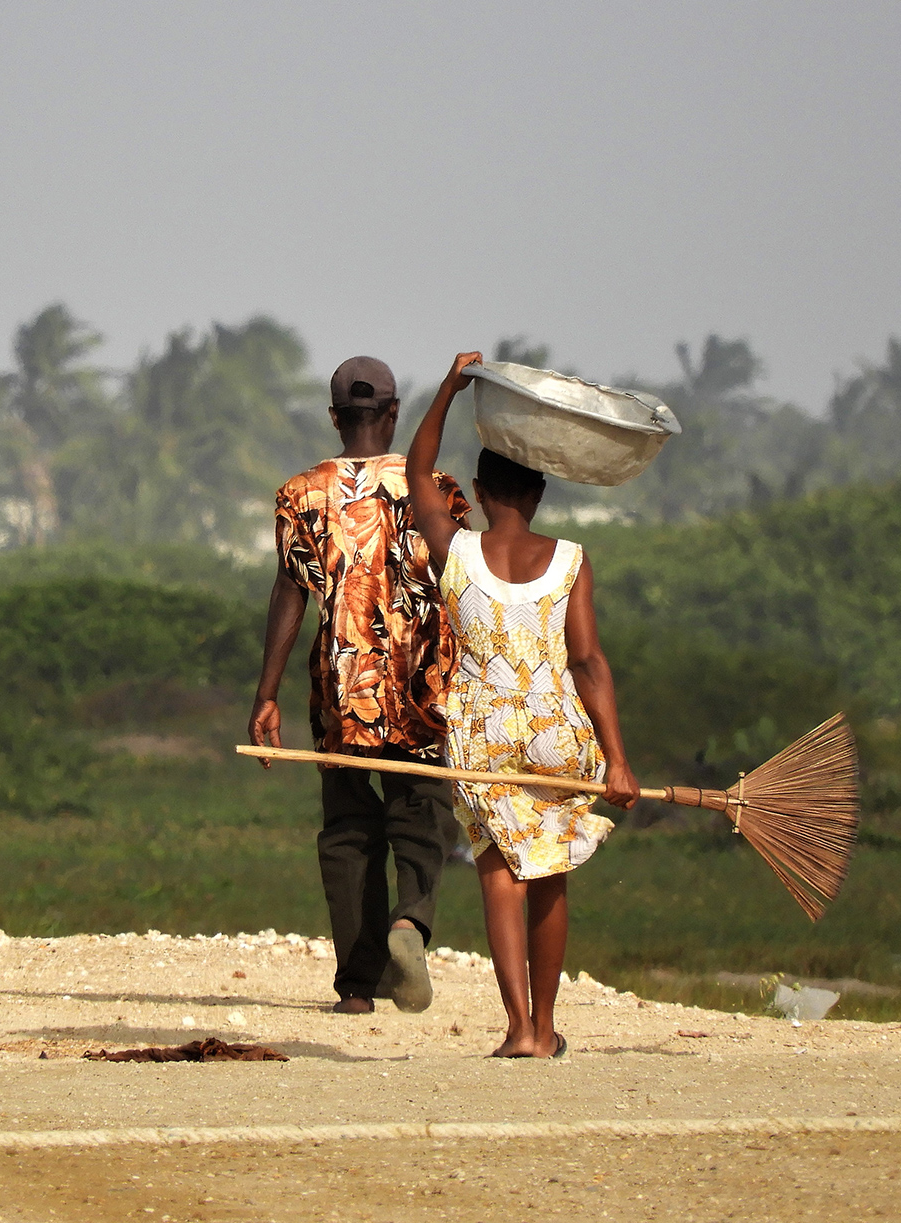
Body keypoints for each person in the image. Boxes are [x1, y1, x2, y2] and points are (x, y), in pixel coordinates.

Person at [404, 350, 640, 1058]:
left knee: (499, 870)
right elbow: (589, 662)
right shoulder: (571, 559)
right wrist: (619, 762)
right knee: (549, 871)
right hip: (556, 729)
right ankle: (546, 1025)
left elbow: (417, 472)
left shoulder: (456, 550)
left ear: (475, 492)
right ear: (538, 495)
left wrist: (449, 386)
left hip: (480, 731)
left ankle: (519, 1029)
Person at [250, 355, 473, 1015]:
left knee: (349, 830)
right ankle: (410, 922)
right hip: (422, 689)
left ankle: (359, 987)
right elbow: (465, 583)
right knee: (423, 814)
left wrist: (266, 693)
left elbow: (291, 592)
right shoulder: (436, 487)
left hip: (339, 690)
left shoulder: (301, 493)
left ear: (334, 417)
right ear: (394, 414)